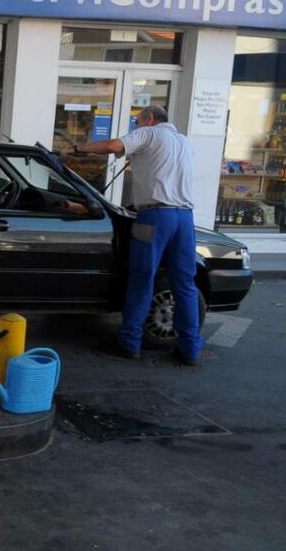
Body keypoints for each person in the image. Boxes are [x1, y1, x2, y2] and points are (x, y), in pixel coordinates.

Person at [65, 105, 204, 367]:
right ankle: (190, 350)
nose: (136, 128)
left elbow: (114, 146)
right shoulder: (184, 142)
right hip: (185, 218)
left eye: (137, 123)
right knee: (185, 284)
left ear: (149, 119)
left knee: (142, 279)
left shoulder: (149, 134)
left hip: (154, 218)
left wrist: (77, 149)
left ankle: (129, 343)